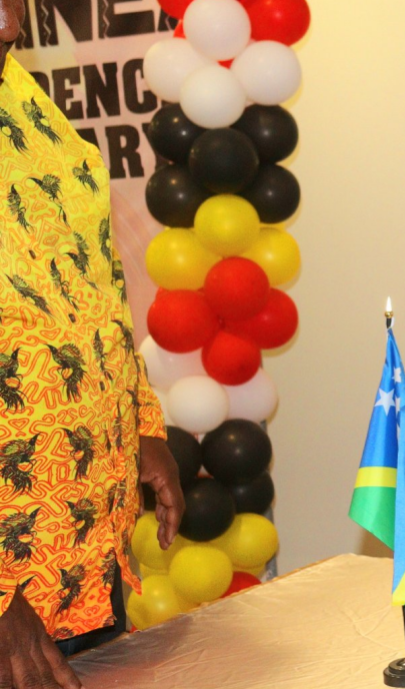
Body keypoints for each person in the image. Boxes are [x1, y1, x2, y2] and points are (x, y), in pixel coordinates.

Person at [0, 0, 184, 684]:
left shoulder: (22, 96)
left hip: (81, 560)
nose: (12, 24)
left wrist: (139, 424)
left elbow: (91, 281)